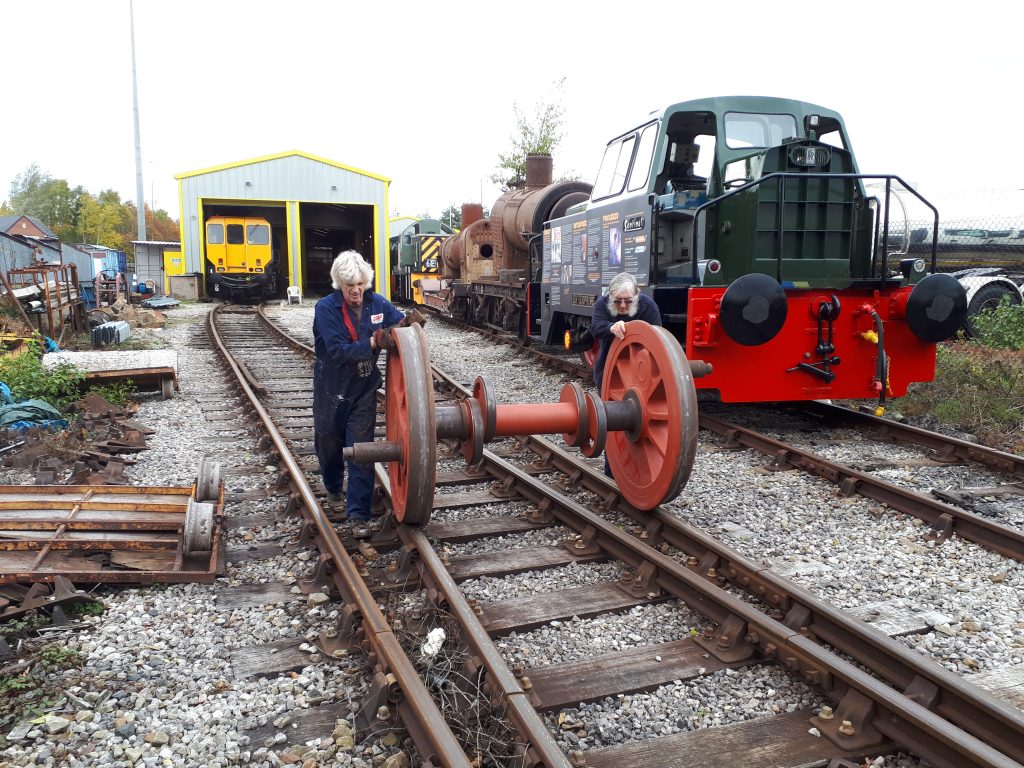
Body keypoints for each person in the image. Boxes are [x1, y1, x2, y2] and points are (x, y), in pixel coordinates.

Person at [312, 250, 408, 538]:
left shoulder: (377, 303)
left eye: (361, 285)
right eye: (350, 285)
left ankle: (358, 515)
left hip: (364, 388)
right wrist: (374, 340)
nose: (356, 291)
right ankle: (332, 488)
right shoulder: (326, 309)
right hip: (332, 387)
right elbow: (338, 351)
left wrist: (408, 327)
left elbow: (400, 324)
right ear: (340, 284)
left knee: (361, 450)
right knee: (329, 444)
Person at [590, 272, 663, 476]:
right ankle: (611, 472)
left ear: (637, 297)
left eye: (628, 301)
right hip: (609, 372)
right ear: (610, 296)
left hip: (642, 373)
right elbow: (595, 328)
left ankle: (639, 471)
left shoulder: (648, 307)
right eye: (618, 301)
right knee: (611, 420)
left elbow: (657, 337)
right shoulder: (603, 304)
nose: (622, 306)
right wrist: (611, 327)